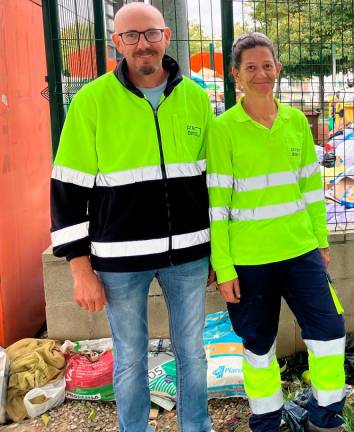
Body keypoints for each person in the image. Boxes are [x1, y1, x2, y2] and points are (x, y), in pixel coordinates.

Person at [49, 3, 213, 431]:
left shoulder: (196, 98)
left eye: (151, 33)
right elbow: (68, 188)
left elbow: (212, 183)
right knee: (130, 358)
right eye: (132, 36)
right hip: (120, 261)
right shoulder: (92, 102)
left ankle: (196, 427)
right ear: (116, 43)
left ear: (166, 37)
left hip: (191, 257)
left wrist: (218, 252)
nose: (143, 44)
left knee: (192, 353)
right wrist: (79, 268)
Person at [206, 32, 346, 432]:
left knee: (330, 332)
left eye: (267, 65)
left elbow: (311, 190)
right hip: (249, 261)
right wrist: (224, 265)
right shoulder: (224, 130)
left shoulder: (296, 122)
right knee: (258, 345)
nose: (261, 74)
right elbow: (218, 203)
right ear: (236, 75)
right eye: (251, 67)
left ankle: (326, 417)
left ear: (278, 69)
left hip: (301, 251)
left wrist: (320, 243)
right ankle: (267, 421)